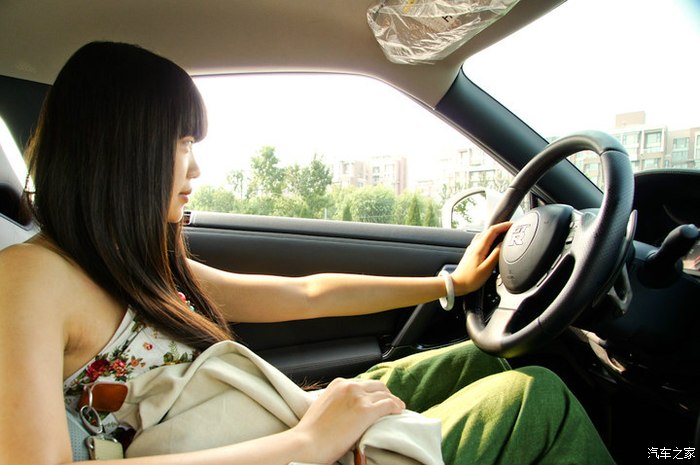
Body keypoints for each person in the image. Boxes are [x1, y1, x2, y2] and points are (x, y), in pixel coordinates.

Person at [0, 42, 615, 465]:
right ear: (122, 149)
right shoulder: (29, 278)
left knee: (485, 360)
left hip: (282, 424)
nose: (196, 167)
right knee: (538, 401)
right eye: (182, 143)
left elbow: (307, 293)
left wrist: (451, 283)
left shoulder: (139, 266)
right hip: (292, 448)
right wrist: (311, 440)